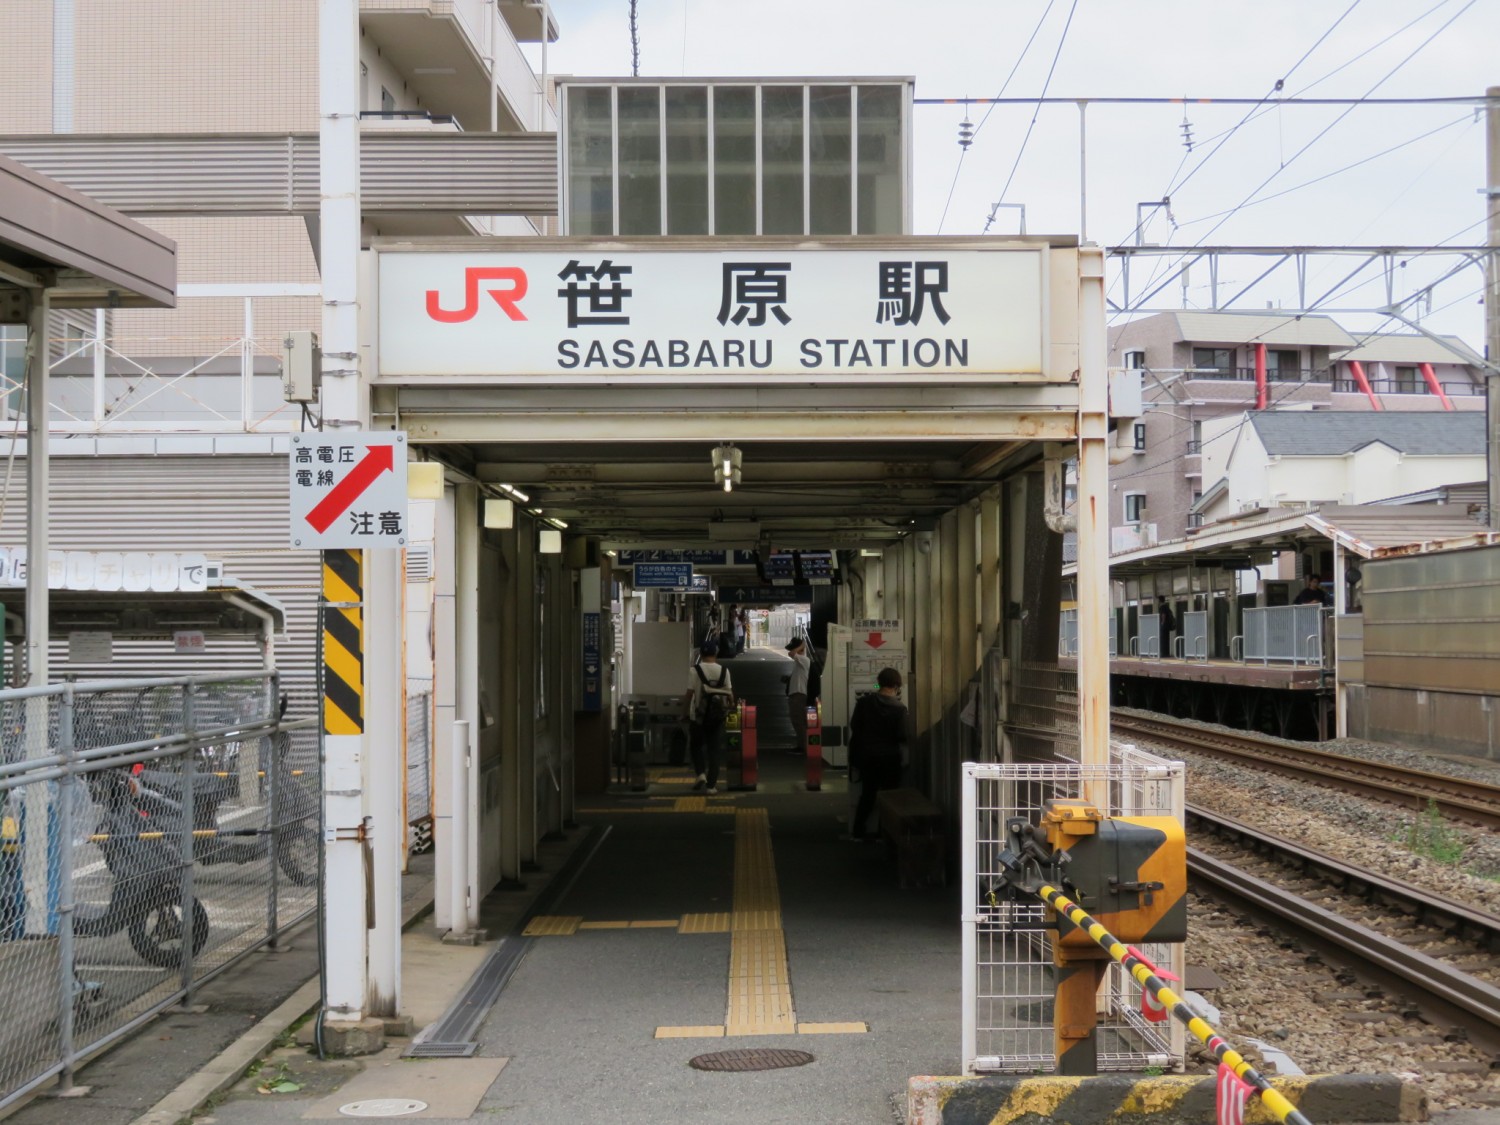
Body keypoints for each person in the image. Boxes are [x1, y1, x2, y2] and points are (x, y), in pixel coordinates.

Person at [846, 667, 909, 841]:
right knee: (890, 796)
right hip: (889, 758)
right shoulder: (899, 709)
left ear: (879, 682)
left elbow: (854, 725)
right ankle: (885, 833)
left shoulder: (865, 703)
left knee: (868, 794)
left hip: (867, 756)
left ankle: (858, 831)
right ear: (897, 685)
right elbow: (902, 735)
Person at [683, 640, 734, 794]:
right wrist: (729, 708)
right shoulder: (724, 671)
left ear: (701, 654)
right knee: (714, 751)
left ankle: (701, 774)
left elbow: (689, 694)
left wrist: (683, 712)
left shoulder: (694, 671)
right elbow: (730, 695)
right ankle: (711, 786)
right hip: (717, 717)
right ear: (716, 653)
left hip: (698, 717)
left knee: (696, 746)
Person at [784, 636, 812, 755]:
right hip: (796, 694)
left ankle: (804, 747)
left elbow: (791, 653)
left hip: (799, 695)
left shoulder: (804, 660)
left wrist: (802, 645)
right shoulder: (800, 662)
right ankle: (801, 745)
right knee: (797, 721)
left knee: (799, 721)